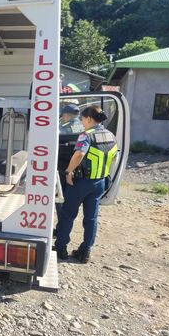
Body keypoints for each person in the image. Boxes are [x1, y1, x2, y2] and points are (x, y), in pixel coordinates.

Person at [54, 106, 118, 264]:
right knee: (91, 218)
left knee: (67, 214)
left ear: (89, 119)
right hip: (100, 182)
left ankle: (61, 248)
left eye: (82, 119)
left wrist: (68, 172)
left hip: (81, 183)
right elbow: (114, 157)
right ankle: (85, 252)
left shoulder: (86, 135)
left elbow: (80, 154)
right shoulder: (110, 134)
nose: (81, 123)